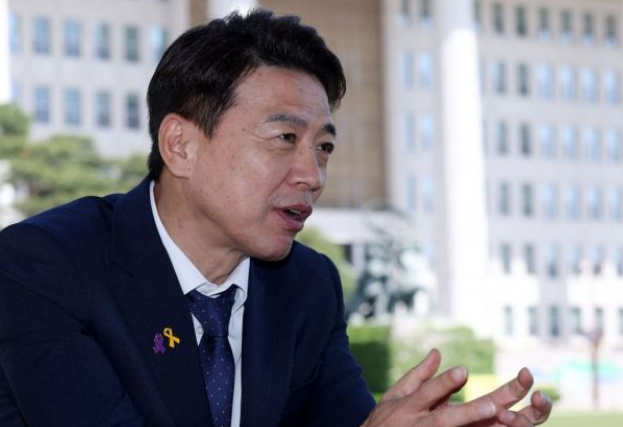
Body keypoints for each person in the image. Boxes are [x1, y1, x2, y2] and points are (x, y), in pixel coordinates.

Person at [0, 9, 552, 427]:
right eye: (285, 138)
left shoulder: (306, 286)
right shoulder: (43, 267)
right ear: (181, 146)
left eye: (324, 148)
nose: (313, 175)